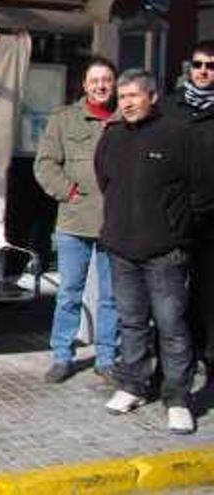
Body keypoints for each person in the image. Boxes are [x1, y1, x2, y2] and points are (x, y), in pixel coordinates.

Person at [97, 69, 195, 434]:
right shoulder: (112, 137)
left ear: (152, 96)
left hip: (165, 252)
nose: (126, 103)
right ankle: (132, 385)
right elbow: (103, 180)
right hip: (122, 249)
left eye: (133, 96)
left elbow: (197, 190)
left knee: (171, 326)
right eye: (122, 97)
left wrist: (176, 231)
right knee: (131, 322)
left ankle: (178, 398)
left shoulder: (178, 135)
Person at [33, 56, 120, 384]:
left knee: (112, 296)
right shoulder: (64, 119)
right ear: (83, 85)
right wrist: (67, 192)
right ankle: (61, 355)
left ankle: (107, 357)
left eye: (107, 80)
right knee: (70, 291)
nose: (100, 86)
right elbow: (44, 165)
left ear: (114, 84)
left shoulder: (124, 119)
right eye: (94, 80)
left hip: (115, 223)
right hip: (74, 223)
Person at [161, 40, 214, 376]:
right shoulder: (168, 107)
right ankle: (168, 361)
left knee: (208, 292)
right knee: (168, 294)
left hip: (212, 219)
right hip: (172, 217)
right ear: (188, 68)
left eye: (211, 65)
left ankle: (206, 354)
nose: (204, 71)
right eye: (198, 65)